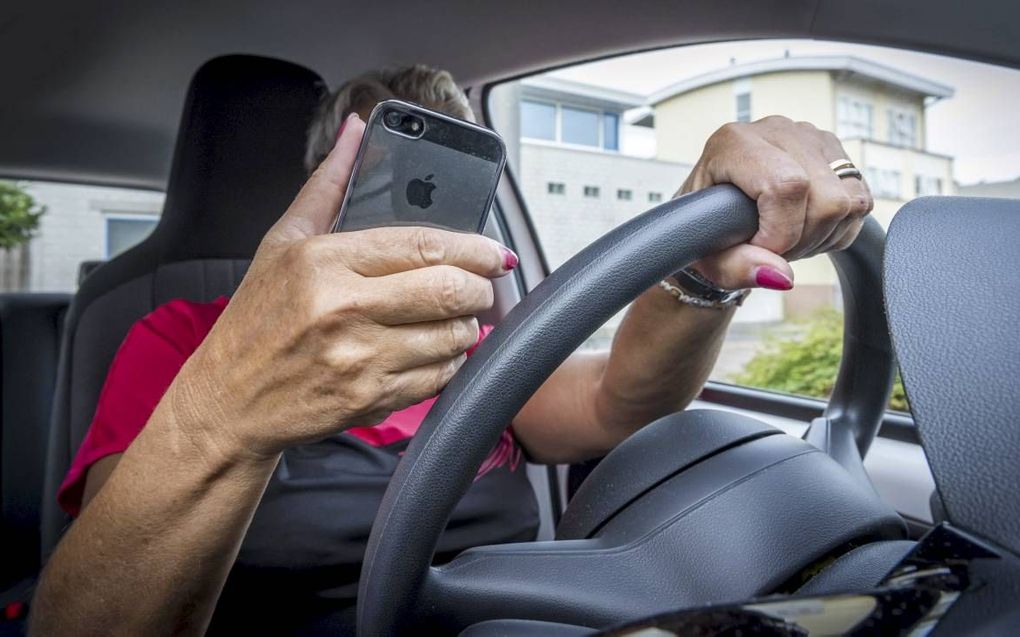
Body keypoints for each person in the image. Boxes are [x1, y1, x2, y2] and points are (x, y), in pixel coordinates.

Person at [31, 65, 872, 635]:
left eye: (450, 177)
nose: (418, 208)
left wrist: (698, 269)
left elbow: (626, 400)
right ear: (324, 181)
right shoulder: (176, 336)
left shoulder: (478, 349)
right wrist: (235, 399)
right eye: (385, 169)